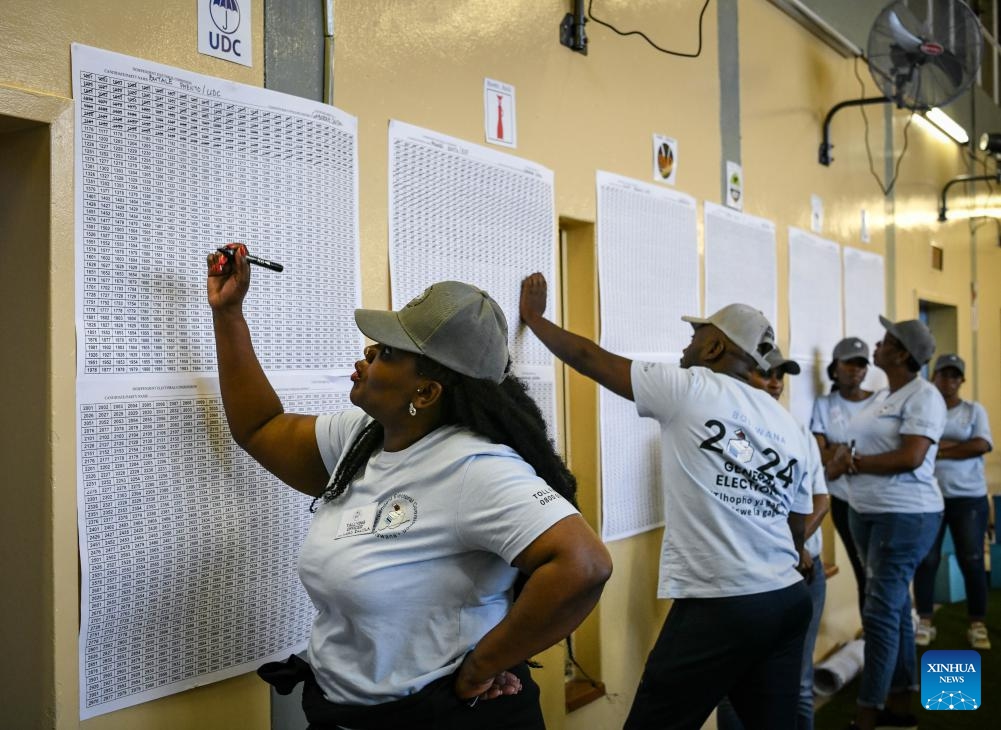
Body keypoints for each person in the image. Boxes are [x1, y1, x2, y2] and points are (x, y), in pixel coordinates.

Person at [207, 245, 612, 730]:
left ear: (426, 391)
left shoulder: (473, 467)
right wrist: (229, 313)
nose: (368, 353)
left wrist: (483, 665)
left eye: (388, 352)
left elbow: (584, 564)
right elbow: (260, 427)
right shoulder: (363, 438)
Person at [519, 273, 814, 730]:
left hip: (723, 604)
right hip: (786, 599)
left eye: (697, 336)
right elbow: (797, 523)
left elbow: (587, 358)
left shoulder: (691, 387)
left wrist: (535, 321)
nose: (688, 344)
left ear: (716, 349)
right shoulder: (784, 420)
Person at [718, 347, 832, 730]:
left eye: (780, 376)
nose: (775, 383)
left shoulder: (794, 429)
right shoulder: (719, 428)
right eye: (766, 373)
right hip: (741, 584)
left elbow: (820, 498)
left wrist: (793, 548)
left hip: (800, 574)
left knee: (796, 686)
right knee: (734, 688)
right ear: (742, 373)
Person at [845, 317, 945, 730]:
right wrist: (843, 458)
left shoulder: (924, 397)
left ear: (901, 353)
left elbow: (911, 457)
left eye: (885, 341)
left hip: (905, 516)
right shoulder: (887, 394)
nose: (877, 344)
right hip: (867, 512)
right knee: (896, 609)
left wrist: (854, 463)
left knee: (881, 613)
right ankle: (901, 708)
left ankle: (869, 714)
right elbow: (861, 443)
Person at [913, 353, 993, 650]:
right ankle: (925, 620)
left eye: (954, 376)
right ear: (932, 377)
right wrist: (957, 445)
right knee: (927, 559)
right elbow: (914, 444)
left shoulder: (974, 411)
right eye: (943, 375)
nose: (948, 381)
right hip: (928, 497)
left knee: (971, 558)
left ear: (962, 380)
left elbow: (981, 444)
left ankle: (977, 623)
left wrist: (938, 449)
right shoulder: (925, 409)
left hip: (968, 498)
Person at [810, 337, 876, 623]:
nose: (855, 370)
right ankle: (872, 640)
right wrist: (840, 452)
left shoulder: (880, 401)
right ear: (835, 367)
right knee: (864, 572)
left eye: (861, 364)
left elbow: (883, 450)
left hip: (878, 497)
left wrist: (839, 450)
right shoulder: (825, 404)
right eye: (849, 363)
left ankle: (890, 639)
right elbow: (819, 451)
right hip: (844, 501)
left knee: (881, 574)